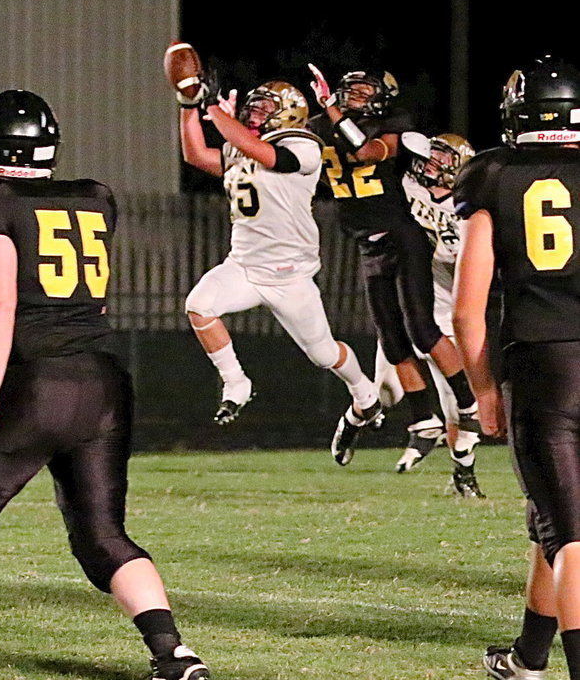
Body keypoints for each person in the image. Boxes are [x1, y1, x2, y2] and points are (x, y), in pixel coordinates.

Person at [0, 90, 209, 680]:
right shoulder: (94, 197)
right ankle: (172, 654)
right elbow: (97, 300)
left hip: (36, 381)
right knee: (101, 534)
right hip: (103, 380)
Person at [453, 55, 580, 680]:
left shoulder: (495, 175)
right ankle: (528, 660)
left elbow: (467, 310)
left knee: (570, 531)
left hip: (544, 364)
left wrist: (482, 389)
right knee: (554, 521)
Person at [178, 79, 380, 428]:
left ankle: (364, 392)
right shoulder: (243, 145)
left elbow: (271, 157)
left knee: (324, 354)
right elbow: (195, 154)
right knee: (199, 306)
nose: (256, 110)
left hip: (291, 275)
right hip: (243, 266)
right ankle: (236, 382)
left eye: (266, 106)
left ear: (290, 114)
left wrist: (212, 108)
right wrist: (187, 104)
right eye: (253, 105)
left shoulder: (303, 145)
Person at [307, 64, 481, 469]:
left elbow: (365, 152)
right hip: (367, 243)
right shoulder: (319, 125)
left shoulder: (393, 124)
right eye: (351, 91)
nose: (354, 97)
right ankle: (423, 419)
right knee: (391, 338)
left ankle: (467, 404)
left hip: (402, 237)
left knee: (422, 329)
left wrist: (334, 112)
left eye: (365, 92)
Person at [373, 133, 484, 496]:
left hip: (450, 314)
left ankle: (463, 475)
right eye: (431, 154)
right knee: (386, 394)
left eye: (442, 156)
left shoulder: (471, 206)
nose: (432, 161)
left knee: (458, 408)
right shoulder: (408, 187)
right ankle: (420, 425)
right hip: (413, 305)